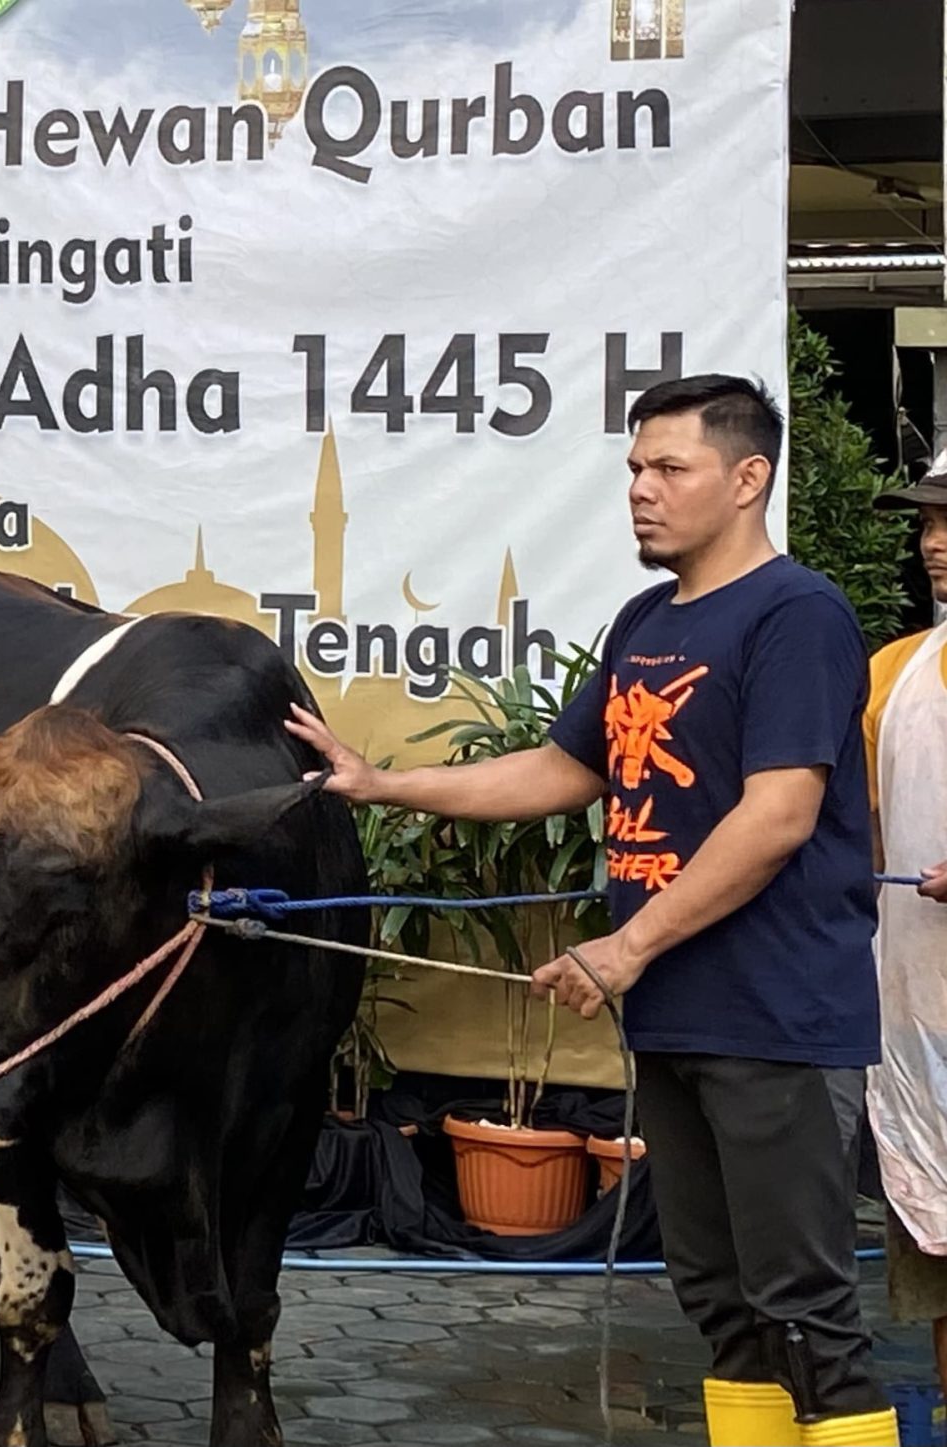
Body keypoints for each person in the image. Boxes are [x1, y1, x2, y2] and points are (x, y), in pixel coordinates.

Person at [286, 373, 897, 1447]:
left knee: (806, 1315)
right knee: (724, 1309)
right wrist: (381, 782)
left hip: (777, 1018)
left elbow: (777, 816)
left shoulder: (797, 614)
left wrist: (626, 945)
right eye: (633, 469)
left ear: (747, 478)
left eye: (670, 468)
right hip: (674, 1019)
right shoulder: (645, 622)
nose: (640, 490)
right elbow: (561, 769)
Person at [861, 458, 947, 1409]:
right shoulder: (894, 672)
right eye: (927, 523)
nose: (935, 542)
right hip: (919, 1025)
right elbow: (870, 833)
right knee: (938, 1274)